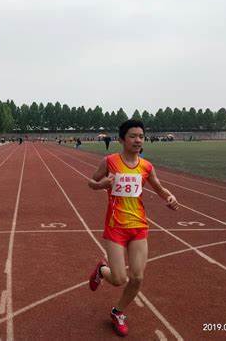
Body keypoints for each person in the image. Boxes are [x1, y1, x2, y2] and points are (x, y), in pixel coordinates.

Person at [87, 119, 179, 337]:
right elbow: (91, 182)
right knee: (119, 279)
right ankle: (102, 269)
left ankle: (117, 312)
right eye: (133, 136)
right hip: (116, 227)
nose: (138, 140)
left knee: (137, 278)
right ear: (121, 139)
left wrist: (169, 196)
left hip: (138, 226)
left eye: (141, 136)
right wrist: (102, 185)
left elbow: (158, 187)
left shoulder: (146, 166)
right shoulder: (110, 161)